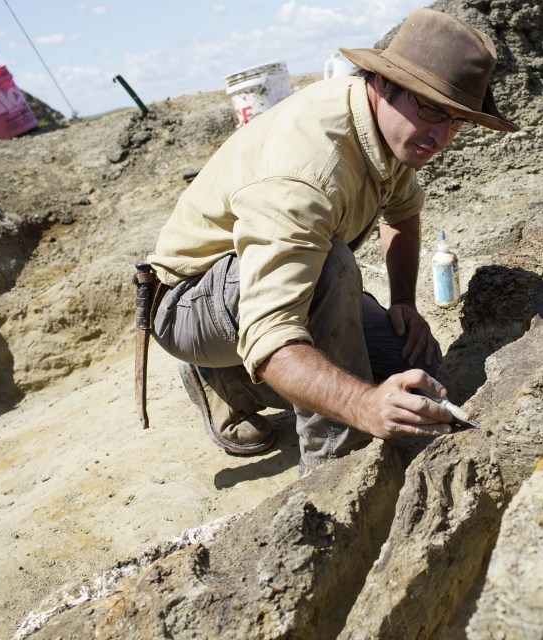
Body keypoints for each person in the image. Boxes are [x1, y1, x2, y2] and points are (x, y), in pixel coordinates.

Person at [147, 8, 518, 473]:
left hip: (272, 283)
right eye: (432, 111)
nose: (441, 137)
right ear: (384, 84)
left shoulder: (392, 128)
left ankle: (233, 384)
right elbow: (271, 332)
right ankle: (332, 470)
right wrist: (364, 406)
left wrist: (404, 302)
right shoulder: (305, 173)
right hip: (190, 304)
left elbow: (402, 211)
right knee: (334, 279)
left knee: (412, 374)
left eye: (456, 122)